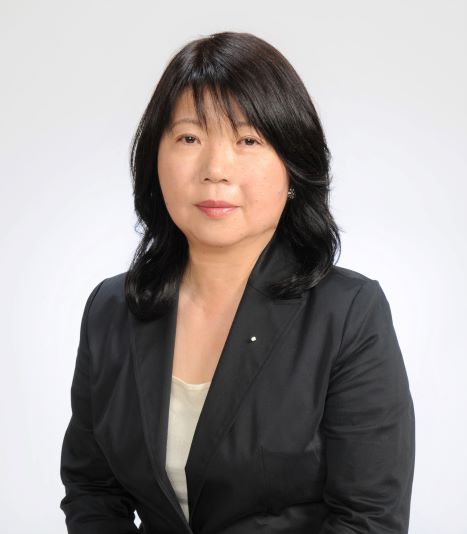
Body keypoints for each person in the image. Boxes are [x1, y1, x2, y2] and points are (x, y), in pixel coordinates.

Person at [59, 31, 415, 534]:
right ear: (155, 159)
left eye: (248, 140)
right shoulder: (111, 308)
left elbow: (368, 519)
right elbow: (92, 493)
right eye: (189, 138)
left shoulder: (348, 313)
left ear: (293, 166)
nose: (215, 170)